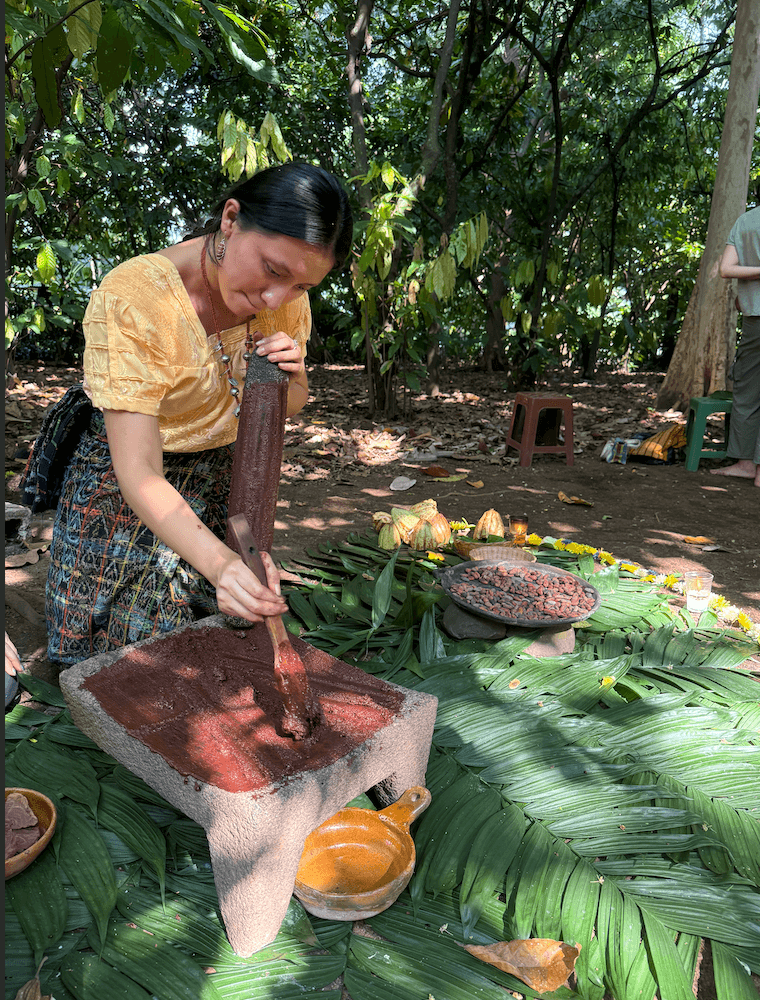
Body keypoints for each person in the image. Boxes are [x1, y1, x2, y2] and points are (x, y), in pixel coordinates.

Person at [21, 162, 353, 666]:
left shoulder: (284, 301)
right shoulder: (134, 299)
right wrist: (221, 565)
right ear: (231, 218)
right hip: (127, 477)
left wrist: (296, 377)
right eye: (273, 270)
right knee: (124, 658)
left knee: (218, 635)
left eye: (301, 288)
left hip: (220, 470)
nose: (275, 299)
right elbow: (138, 472)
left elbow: (282, 407)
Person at [710, 203, 760, 488]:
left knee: (747, 390)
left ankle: (744, 464)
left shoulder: (746, 221)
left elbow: (726, 269)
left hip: (754, 320)